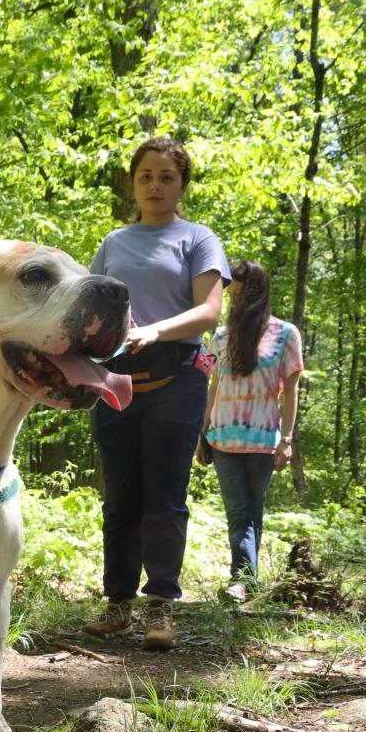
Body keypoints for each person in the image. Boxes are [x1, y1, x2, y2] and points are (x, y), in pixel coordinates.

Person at [83, 137, 231, 650]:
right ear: (133, 183)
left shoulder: (198, 239)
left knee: (165, 498)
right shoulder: (114, 242)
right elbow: (89, 307)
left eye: (166, 177)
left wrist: (154, 330)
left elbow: (209, 312)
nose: (155, 185)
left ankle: (161, 606)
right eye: (145, 176)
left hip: (178, 380)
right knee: (121, 498)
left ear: (181, 184)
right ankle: (118, 605)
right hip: (117, 382)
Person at [196, 260, 303, 600]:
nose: (235, 301)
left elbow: (291, 391)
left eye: (241, 294)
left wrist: (288, 440)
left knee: (253, 511)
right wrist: (202, 432)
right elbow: (214, 386)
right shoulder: (221, 337)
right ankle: (241, 580)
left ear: (257, 294)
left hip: (263, 440)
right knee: (239, 512)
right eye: (232, 295)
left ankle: (246, 581)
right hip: (223, 439)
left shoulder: (285, 334)